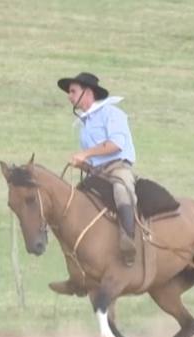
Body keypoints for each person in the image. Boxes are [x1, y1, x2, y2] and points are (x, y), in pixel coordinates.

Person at [58, 72, 138, 266]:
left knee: (122, 190)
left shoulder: (112, 113)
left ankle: (129, 241)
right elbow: (94, 160)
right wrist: (83, 164)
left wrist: (85, 154)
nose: (69, 96)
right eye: (70, 92)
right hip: (97, 173)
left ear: (88, 93)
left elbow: (116, 144)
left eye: (73, 91)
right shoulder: (84, 125)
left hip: (118, 167)